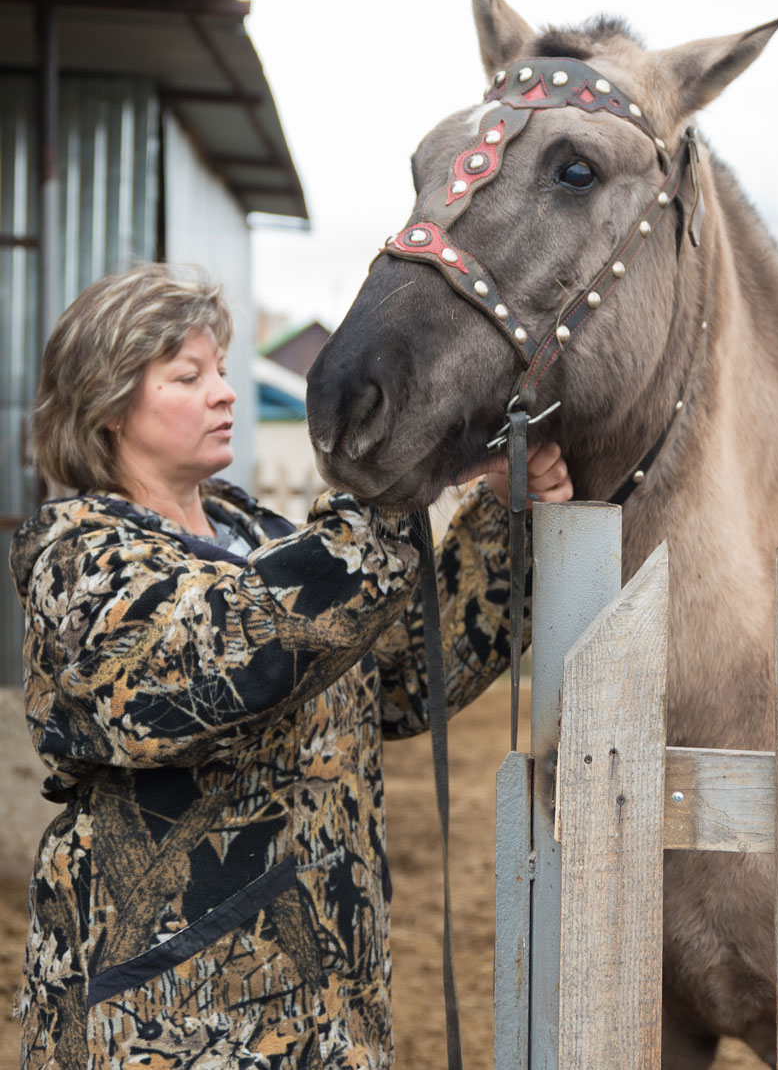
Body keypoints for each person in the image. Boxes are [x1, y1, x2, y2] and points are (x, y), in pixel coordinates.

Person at [9, 264, 572, 1069]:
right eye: (187, 375)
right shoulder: (80, 559)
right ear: (106, 408)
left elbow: (402, 675)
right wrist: (387, 489)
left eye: (222, 369)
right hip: (168, 1025)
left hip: (323, 1006)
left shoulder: (260, 539)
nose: (225, 392)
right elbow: (232, 658)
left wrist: (500, 521)